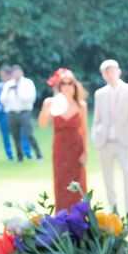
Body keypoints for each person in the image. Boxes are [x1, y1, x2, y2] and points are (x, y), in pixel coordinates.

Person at [91, 59, 128, 216]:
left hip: (122, 141)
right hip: (104, 141)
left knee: (127, 173)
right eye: (106, 72)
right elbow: (96, 118)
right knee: (108, 178)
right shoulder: (100, 94)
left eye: (112, 70)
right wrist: (96, 136)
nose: (110, 74)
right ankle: (114, 209)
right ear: (103, 75)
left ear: (118, 71)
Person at [38, 68, 88, 212]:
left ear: (74, 85)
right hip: (60, 149)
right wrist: (45, 108)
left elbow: (84, 130)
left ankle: (80, 216)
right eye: (63, 84)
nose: (67, 86)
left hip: (76, 147)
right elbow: (42, 124)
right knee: (61, 183)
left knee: (78, 183)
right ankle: (62, 217)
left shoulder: (81, 105)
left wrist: (85, 152)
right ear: (59, 87)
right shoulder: (52, 103)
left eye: (70, 83)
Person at [0, 64, 43, 161]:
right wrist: (9, 91)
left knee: (29, 134)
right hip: (11, 113)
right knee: (15, 136)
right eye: (14, 73)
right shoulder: (8, 84)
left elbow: (31, 99)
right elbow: (3, 100)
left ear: (21, 72)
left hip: (24, 112)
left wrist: (18, 92)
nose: (16, 74)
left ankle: (38, 154)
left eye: (18, 72)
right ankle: (20, 156)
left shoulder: (28, 83)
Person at [0, 66, 32, 160]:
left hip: (15, 113)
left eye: (4, 75)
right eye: (1, 75)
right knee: (5, 135)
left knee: (23, 134)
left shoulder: (16, 84)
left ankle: (26, 152)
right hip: (3, 114)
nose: (2, 77)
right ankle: (9, 154)